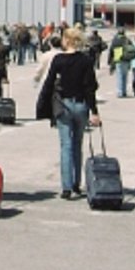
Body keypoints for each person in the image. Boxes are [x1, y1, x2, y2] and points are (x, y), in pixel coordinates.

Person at [35, 26, 101, 199]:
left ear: (67, 40)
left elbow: (49, 83)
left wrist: (43, 106)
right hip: (81, 106)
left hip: (63, 106)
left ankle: (66, 187)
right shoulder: (86, 60)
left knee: (66, 145)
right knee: (77, 145)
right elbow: (90, 88)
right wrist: (94, 111)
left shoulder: (59, 60)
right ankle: (76, 184)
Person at [108, 29, 135, 98]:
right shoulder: (127, 40)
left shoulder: (116, 40)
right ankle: (124, 91)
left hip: (118, 58)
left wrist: (109, 61)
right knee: (125, 76)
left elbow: (111, 50)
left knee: (119, 76)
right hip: (127, 59)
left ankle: (120, 92)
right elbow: (132, 49)